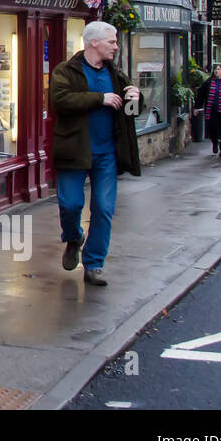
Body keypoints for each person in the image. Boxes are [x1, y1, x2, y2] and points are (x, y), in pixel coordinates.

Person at [49, 20, 142, 287]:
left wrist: (136, 98)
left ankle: (94, 264)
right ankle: (74, 237)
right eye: (111, 41)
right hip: (73, 150)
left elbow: (130, 113)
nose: (115, 46)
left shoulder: (116, 75)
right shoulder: (65, 71)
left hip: (107, 154)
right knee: (70, 205)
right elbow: (60, 101)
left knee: (103, 209)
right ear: (94, 42)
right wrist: (99, 98)